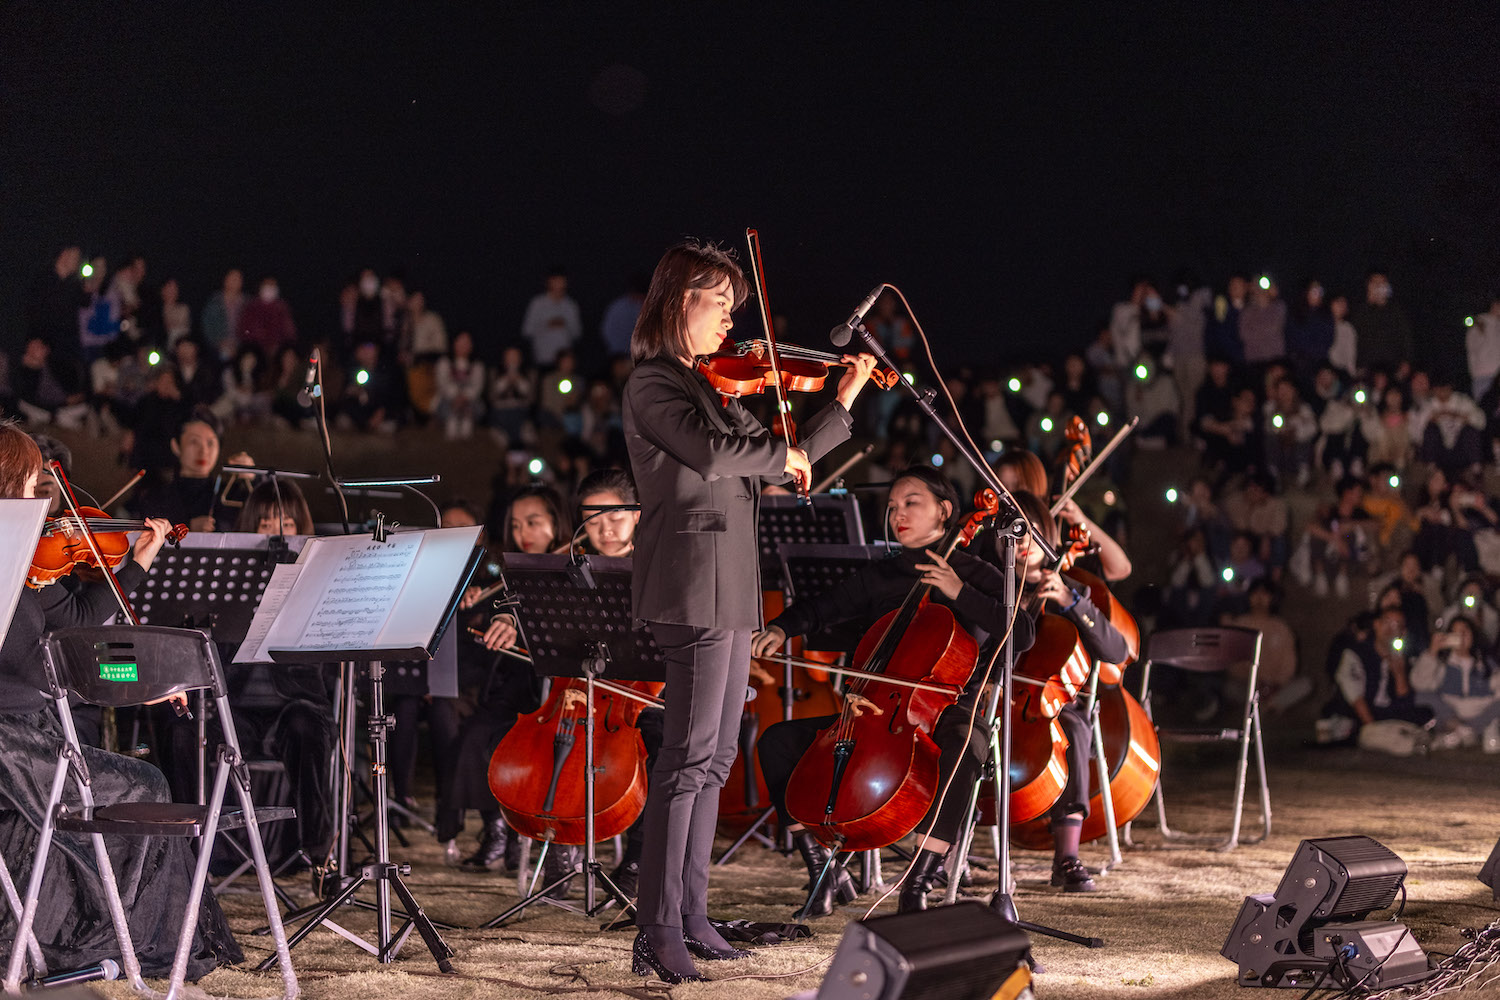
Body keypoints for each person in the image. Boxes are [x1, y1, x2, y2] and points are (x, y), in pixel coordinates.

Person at [620, 239, 876, 983]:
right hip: (689, 583)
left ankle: (692, 914)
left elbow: (773, 454)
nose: (732, 318)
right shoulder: (654, 383)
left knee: (716, 756)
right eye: (720, 301)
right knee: (687, 758)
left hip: (730, 584)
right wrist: (779, 453)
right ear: (679, 301)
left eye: (735, 302)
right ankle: (656, 928)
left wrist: (839, 406)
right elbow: (713, 453)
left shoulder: (709, 385)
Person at [0, 423, 242, 978]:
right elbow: (48, 667)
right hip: (11, 740)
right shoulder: (6, 567)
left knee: (128, 781)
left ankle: (118, 926)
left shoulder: (31, 565)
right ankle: (137, 936)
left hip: (37, 727)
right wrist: (138, 685)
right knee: (146, 784)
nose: (45, 494)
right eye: (32, 481)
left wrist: (136, 563)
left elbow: (83, 620)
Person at [752, 469, 1033, 917]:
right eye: (892, 506)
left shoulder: (977, 572)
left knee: (963, 749)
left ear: (944, 510)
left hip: (953, 708)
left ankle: (918, 883)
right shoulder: (882, 575)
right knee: (777, 742)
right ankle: (823, 869)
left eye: (911, 503)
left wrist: (959, 591)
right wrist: (782, 627)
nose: (898, 513)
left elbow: (1023, 630)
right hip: (877, 712)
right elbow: (825, 605)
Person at [163, 481, 335, 864]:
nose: (277, 532)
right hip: (234, 706)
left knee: (307, 728)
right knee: (183, 730)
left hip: (296, 703)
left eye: (287, 524)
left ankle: (318, 854)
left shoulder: (318, 578)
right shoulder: (225, 578)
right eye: (266, 524)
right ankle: (188, 851)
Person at [436, 485, 565, 870]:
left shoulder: (572, 571)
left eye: (534, 522)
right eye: (515, 524)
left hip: (557, 691)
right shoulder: (506, 574)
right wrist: (481, 605)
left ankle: (538, 835)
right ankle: (496, 829)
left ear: (556, 526)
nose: (523, 531)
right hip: (513, 686)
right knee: (477, 734)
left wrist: (516, 623)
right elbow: (494, 618)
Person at [133, 406, 254, 532]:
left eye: (210, 443)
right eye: (194, 442)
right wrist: (187, 526)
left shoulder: (232, 495)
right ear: (176, 446)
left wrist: (254, 477)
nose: (204, 451)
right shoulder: (156, 498)